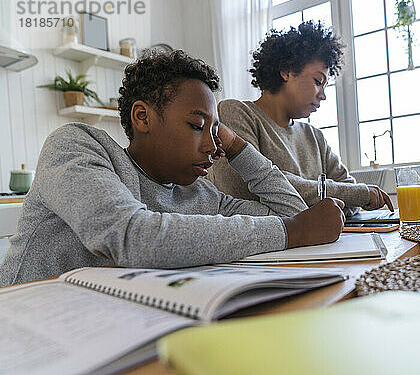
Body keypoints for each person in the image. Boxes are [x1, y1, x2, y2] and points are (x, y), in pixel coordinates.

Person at [0, 50, 345, 286]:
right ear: (142, 117)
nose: (213, 147)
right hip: (19, 325)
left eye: (216, 133)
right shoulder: (77, 145)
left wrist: (238, 146)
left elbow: (295, 214)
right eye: (196, 126)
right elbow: (133, 238)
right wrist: (292, 231)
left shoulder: (200, 194)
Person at [208, 21, 393, 216]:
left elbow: (350, 193)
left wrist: (335, 201)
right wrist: (345, 198)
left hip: (322, 242)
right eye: (317, 81)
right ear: (286, 71)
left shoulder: (315, 136)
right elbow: (248, 190)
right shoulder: (236, 112)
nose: (323, 95)